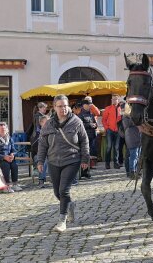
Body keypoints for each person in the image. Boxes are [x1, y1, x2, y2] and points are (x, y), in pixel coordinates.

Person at [37, 94, 89, 232]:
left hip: (72, 160)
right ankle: (69, 205)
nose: (63, 109)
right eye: (60, 106)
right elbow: (42, 144)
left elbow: (84, 141)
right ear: (54, 107)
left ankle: (62, 221)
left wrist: (85, 159)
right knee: (57, 192)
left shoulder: (76, 121)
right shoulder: (48, 124)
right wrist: (40, 160)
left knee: (63, 190)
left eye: (65, 106)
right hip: (53, 161)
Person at [0, 122, 22, 193]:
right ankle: (6, 186)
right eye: (1, 129)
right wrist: (4, 157)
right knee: (6, 166)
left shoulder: (9, 138)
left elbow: (14, 150)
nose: (3, 130)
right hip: (0, 159)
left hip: (9, 158)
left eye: (4, 129)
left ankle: (15, 184)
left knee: (14, 165)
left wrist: (12, 154)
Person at [77, 99, 98, 178]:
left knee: (89, 154)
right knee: (84, 155)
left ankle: (86, 171)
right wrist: (89, 125)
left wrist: (95, 125)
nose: (90, 106)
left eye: (90, 104)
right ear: (84, 105)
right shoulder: (80, 115)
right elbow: (80, 127)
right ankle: (83, 171)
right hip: (84, 138)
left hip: (92, 136)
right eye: (88, 104)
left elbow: (95, 123)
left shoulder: (91, 114)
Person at [121, 103, 141, 179]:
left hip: (136, 137)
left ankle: (135, 171)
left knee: (137, 155)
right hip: (131, 137)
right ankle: (131, 172)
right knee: (133, 155)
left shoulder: (131, 117)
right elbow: (129, 124)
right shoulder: (126, 117)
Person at [102, 94, 122, 169]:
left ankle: (116, 163)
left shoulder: (121, 109)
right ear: (111, 100)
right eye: (113, 99)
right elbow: (104, 120)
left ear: (118, 100)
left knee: (116, 147)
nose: (114, 100)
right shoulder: (108, 108)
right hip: (110, 130)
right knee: (109, 147)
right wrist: (107, 128)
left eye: (115, 99)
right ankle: (107, 163)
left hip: (118, 131)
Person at [36, 115, 50, 188]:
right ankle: (41, 180)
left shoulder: (53, 130)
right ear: (41, 123)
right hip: (40, 153)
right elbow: (37, 147)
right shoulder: (38, 132)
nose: (49, 123)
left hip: (52, 152)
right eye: (46, 122)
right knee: (44, 161)